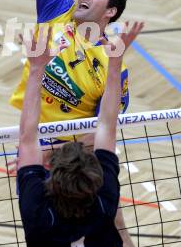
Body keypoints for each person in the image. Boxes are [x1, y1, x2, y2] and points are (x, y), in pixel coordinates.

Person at [10, 0, 133, 245]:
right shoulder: (54, 11)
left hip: (72, 161)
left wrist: (66, 153)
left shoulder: (111, 62)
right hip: (38, 148)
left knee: (112, 223)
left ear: (110, 12)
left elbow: (105, 126)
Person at [17, 21, 143, 247]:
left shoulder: (37, 215)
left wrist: (36, 69)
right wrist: (114, 65)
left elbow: (27, 138)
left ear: (52, 180)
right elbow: (106, 125)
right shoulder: (105, 205)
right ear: (96, 181)